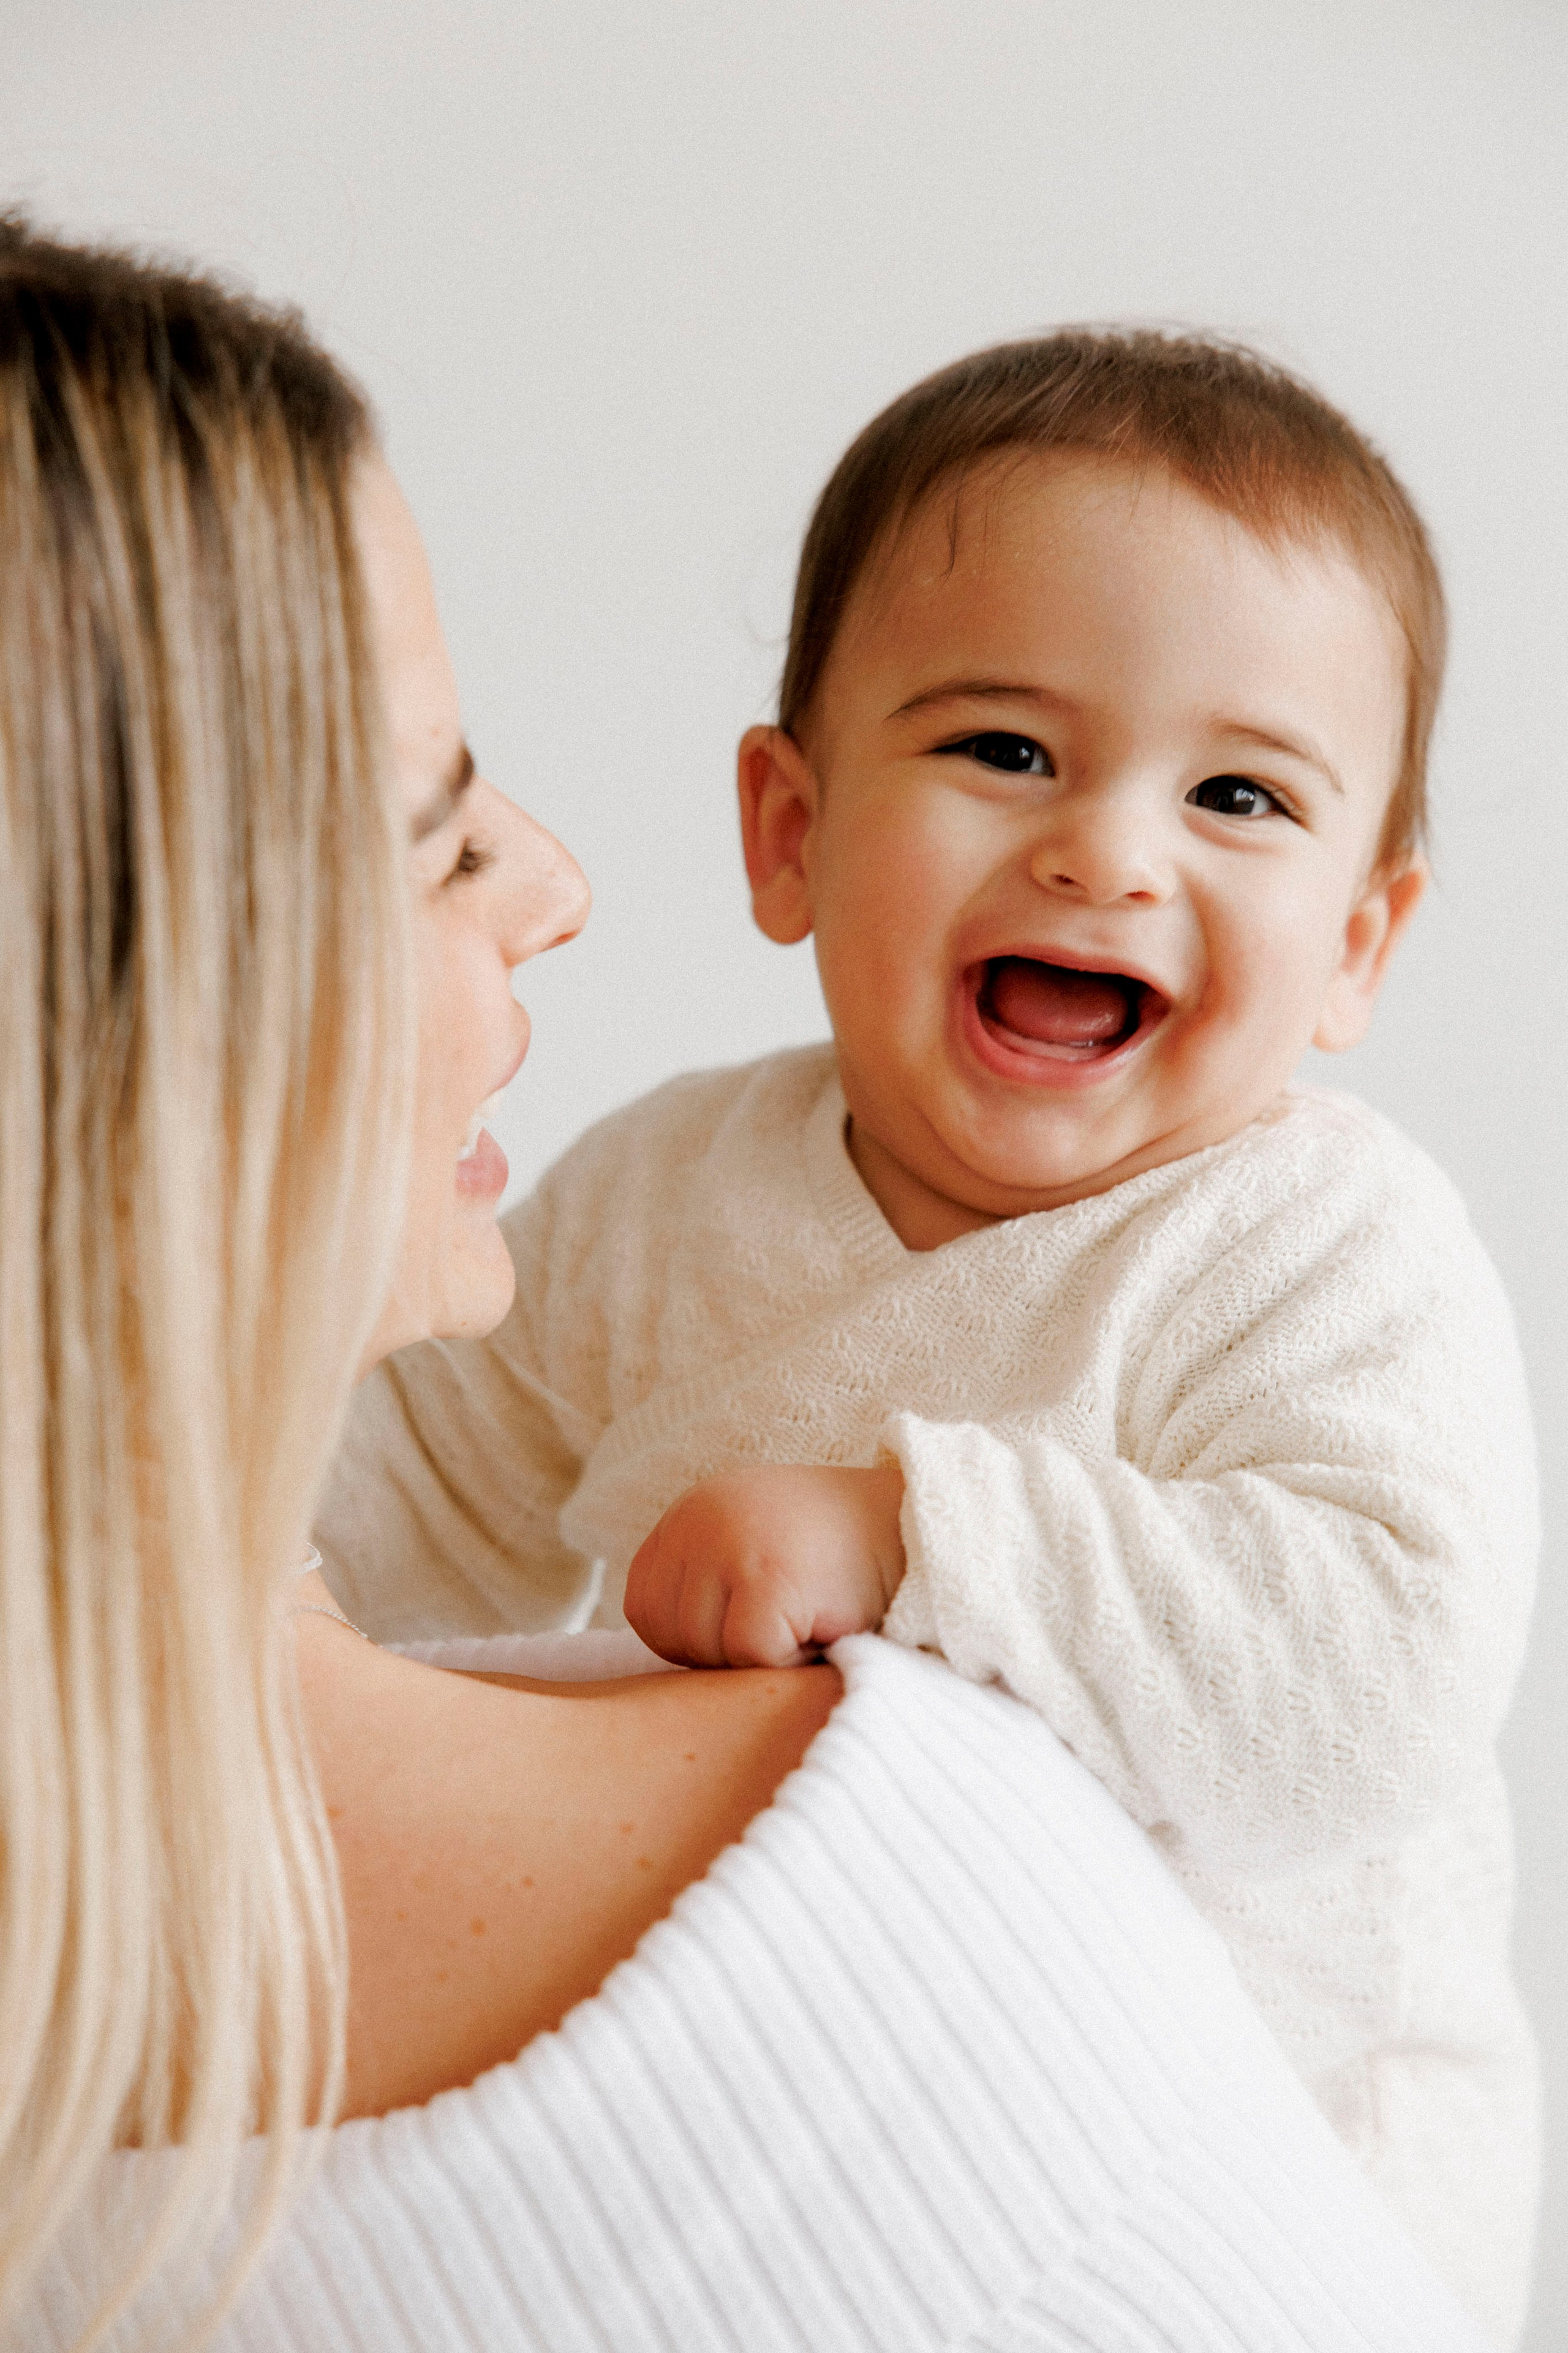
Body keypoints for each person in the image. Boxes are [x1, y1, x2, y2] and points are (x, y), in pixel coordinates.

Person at [0, 220, 1490, 2353]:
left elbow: (1392, 1655)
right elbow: (413, 1482)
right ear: (786, 826)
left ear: (1361, 941)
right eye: (1006, 753)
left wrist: (917, 1532)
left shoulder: (1307, 1246)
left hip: (1314, 2127)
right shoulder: (670, 1189)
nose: (1110, 855)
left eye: (1239, 796)